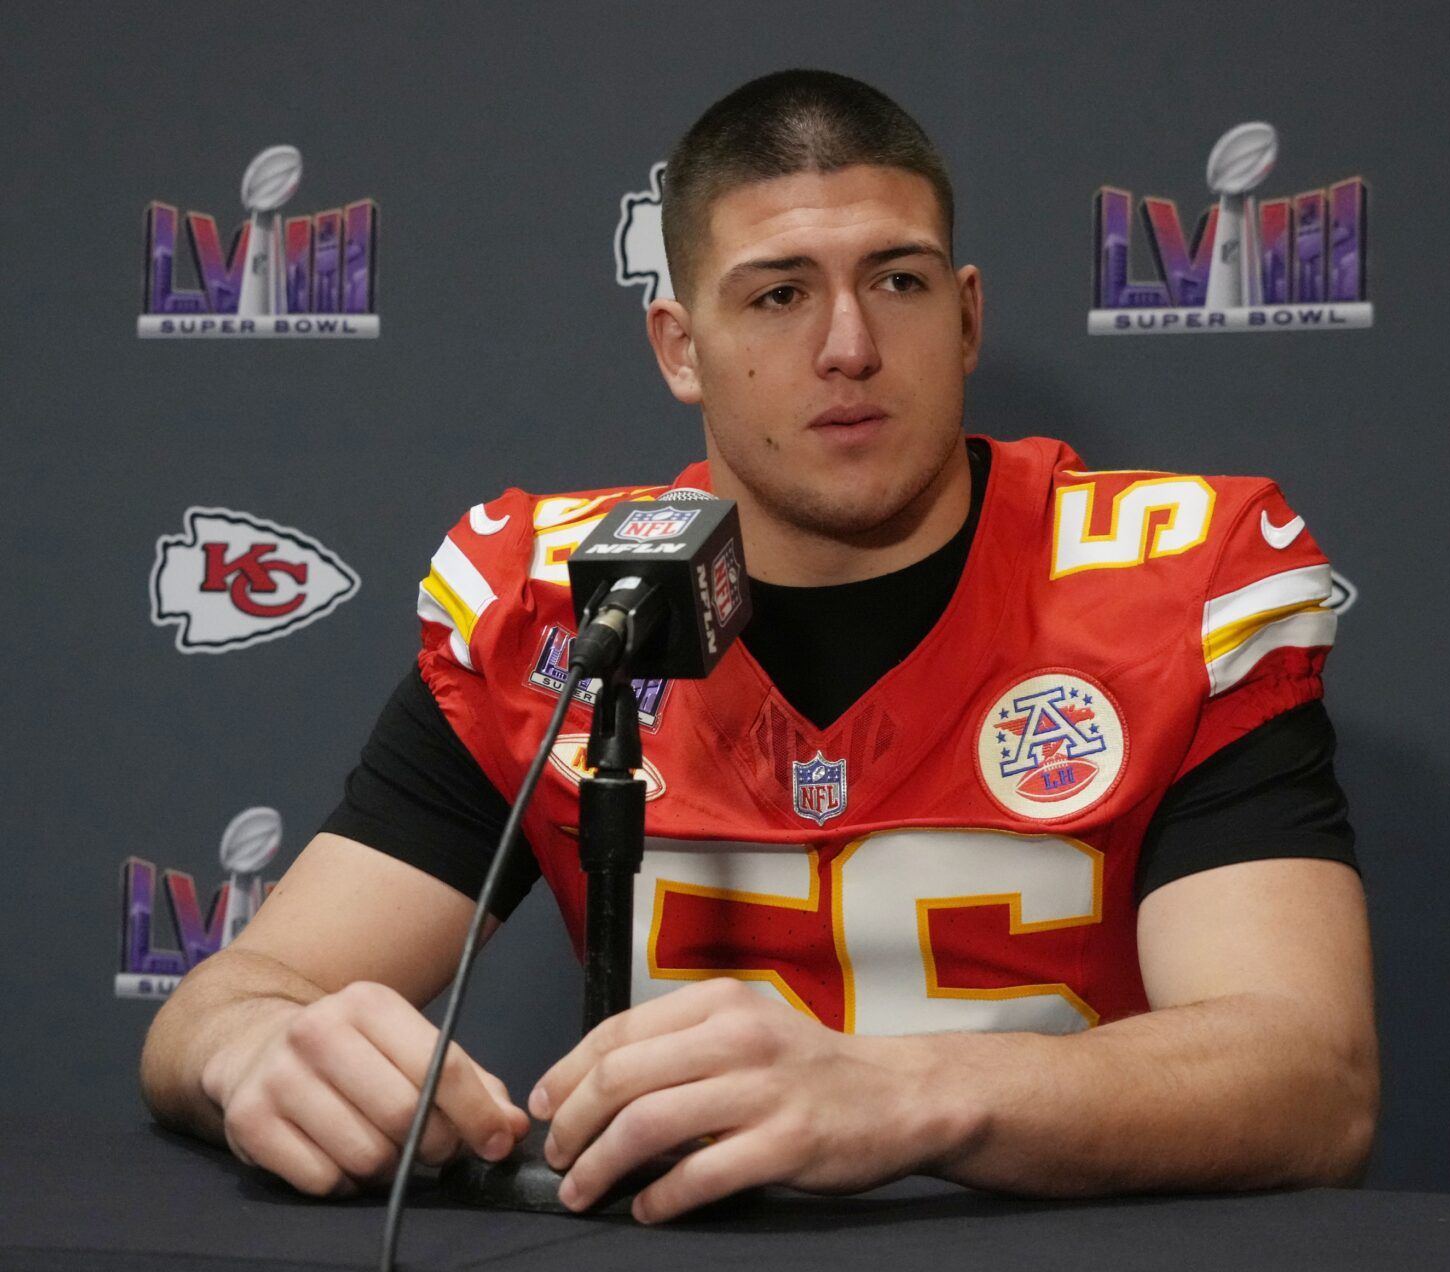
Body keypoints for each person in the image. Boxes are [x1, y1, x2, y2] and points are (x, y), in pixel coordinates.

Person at [141, 69, 1377, 1223]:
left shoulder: (1174, 580)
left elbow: (1310, 1076)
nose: (848, 346)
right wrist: (258, 1050)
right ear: (680, 347)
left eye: (899, 280)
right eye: (779, 294)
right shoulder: (557, 601)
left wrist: (904, 1094)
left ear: (968, 316)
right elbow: (222, 1006)